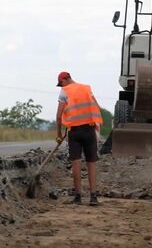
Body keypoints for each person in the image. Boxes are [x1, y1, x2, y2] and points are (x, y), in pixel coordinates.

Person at [55, 71, 103, 206]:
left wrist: (59, 134)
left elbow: (59, 116)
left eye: (61, 83)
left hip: (74, 132)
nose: (61, 86)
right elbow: (96, 108)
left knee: (76, 163)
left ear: (65, 79)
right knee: (91, 164)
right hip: (89, 130)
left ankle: (78, 197)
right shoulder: (87, 88)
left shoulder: (65, 91)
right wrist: (97, 128)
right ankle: (93, 197)